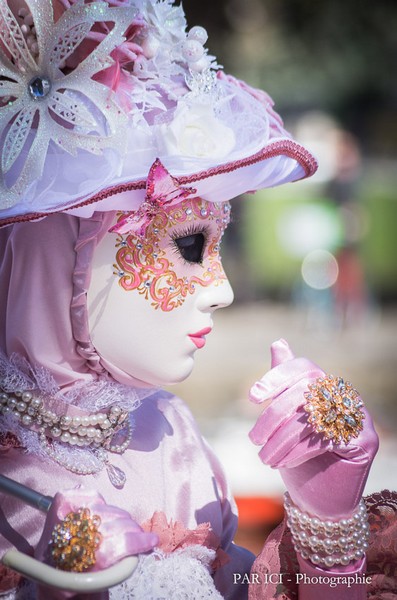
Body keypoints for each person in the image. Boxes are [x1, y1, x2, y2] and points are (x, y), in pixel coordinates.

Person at [0, 1, 391, 599]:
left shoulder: (172, 437)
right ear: (54, 255)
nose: (224, 290)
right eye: (187, 244)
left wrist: (327, 525)